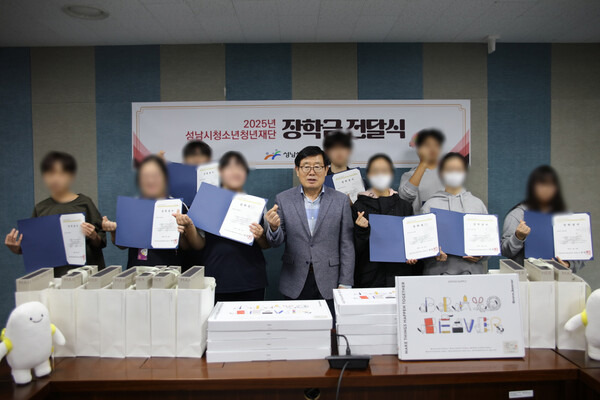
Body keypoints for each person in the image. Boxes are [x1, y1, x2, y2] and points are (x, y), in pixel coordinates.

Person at [266, 146, 354, 309]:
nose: (311, 172)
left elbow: (347, 245)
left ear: (326, 170)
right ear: (297, 170)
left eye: (318, 167)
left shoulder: (340, 200)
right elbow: (275, 242)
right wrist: (273, 228)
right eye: (306, 167)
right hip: (294, 280)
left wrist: (345, 282)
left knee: (330, 324)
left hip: (330, 281)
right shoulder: (283, 199)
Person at [175, 151, 269, 302]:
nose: (235, 172)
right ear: (220, 172)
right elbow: (198, 245)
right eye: (229, 167)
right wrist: (190, 227)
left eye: (239, 167)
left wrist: (260, 236)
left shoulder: (256, 204)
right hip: (216, 278)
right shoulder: (207, 202)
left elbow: (266, 245)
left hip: (251, 280)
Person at [4, 151, 106, 277]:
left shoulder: (85, 203)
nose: (55, 178)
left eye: (61, 173)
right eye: (50, 173)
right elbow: (34, 248)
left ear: (70, 176)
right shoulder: (41, 208)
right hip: (53, 277)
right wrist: (17, 249)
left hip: (86, 275)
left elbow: (101, 242)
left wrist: (93, 236)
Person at [102, 155, 189, 268]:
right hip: (136, 270)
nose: (150, 180)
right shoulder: (132, 206)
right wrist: (113, 231)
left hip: (169, 272)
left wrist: (181, 235)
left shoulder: (178, 206)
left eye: (155, 176)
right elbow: (122, 245)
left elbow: (187, 248)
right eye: (145, 176)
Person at [501, 165, 584, 272]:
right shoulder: (518, 214)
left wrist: (569, 265)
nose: (546, 189)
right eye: (542, 184)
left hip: (559, 277)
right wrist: (518, 237)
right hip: (526, 277)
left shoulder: (566, 216)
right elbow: (505, 251)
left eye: (551, 185)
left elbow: (581, 251)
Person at [352, 154, 417, 287]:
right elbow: (352, 249)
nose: (380, 175)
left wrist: (414, 255)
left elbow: (413, 241)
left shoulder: (404, 206)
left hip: (400, 276)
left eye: (385, 171)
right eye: (375, 171)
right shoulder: (359, 207)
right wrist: (361, 230)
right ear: (368, 175)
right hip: (368, 278)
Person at [421, 152, 488, 275]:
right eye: (449, 169)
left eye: (458, 170)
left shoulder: (477, 204)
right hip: (438, 275)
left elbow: (489, 245)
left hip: (471, 275)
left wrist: (481, 255)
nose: (454, 173)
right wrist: (433, 253)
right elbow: (420, 246)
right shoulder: (430, 206)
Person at [399, 128, 445, 214]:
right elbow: (404, 198)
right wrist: (423, 163)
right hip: (422, 220)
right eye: (427, 145)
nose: (431, 148)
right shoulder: (410, 175)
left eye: (435, 145)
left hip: (447, 219)